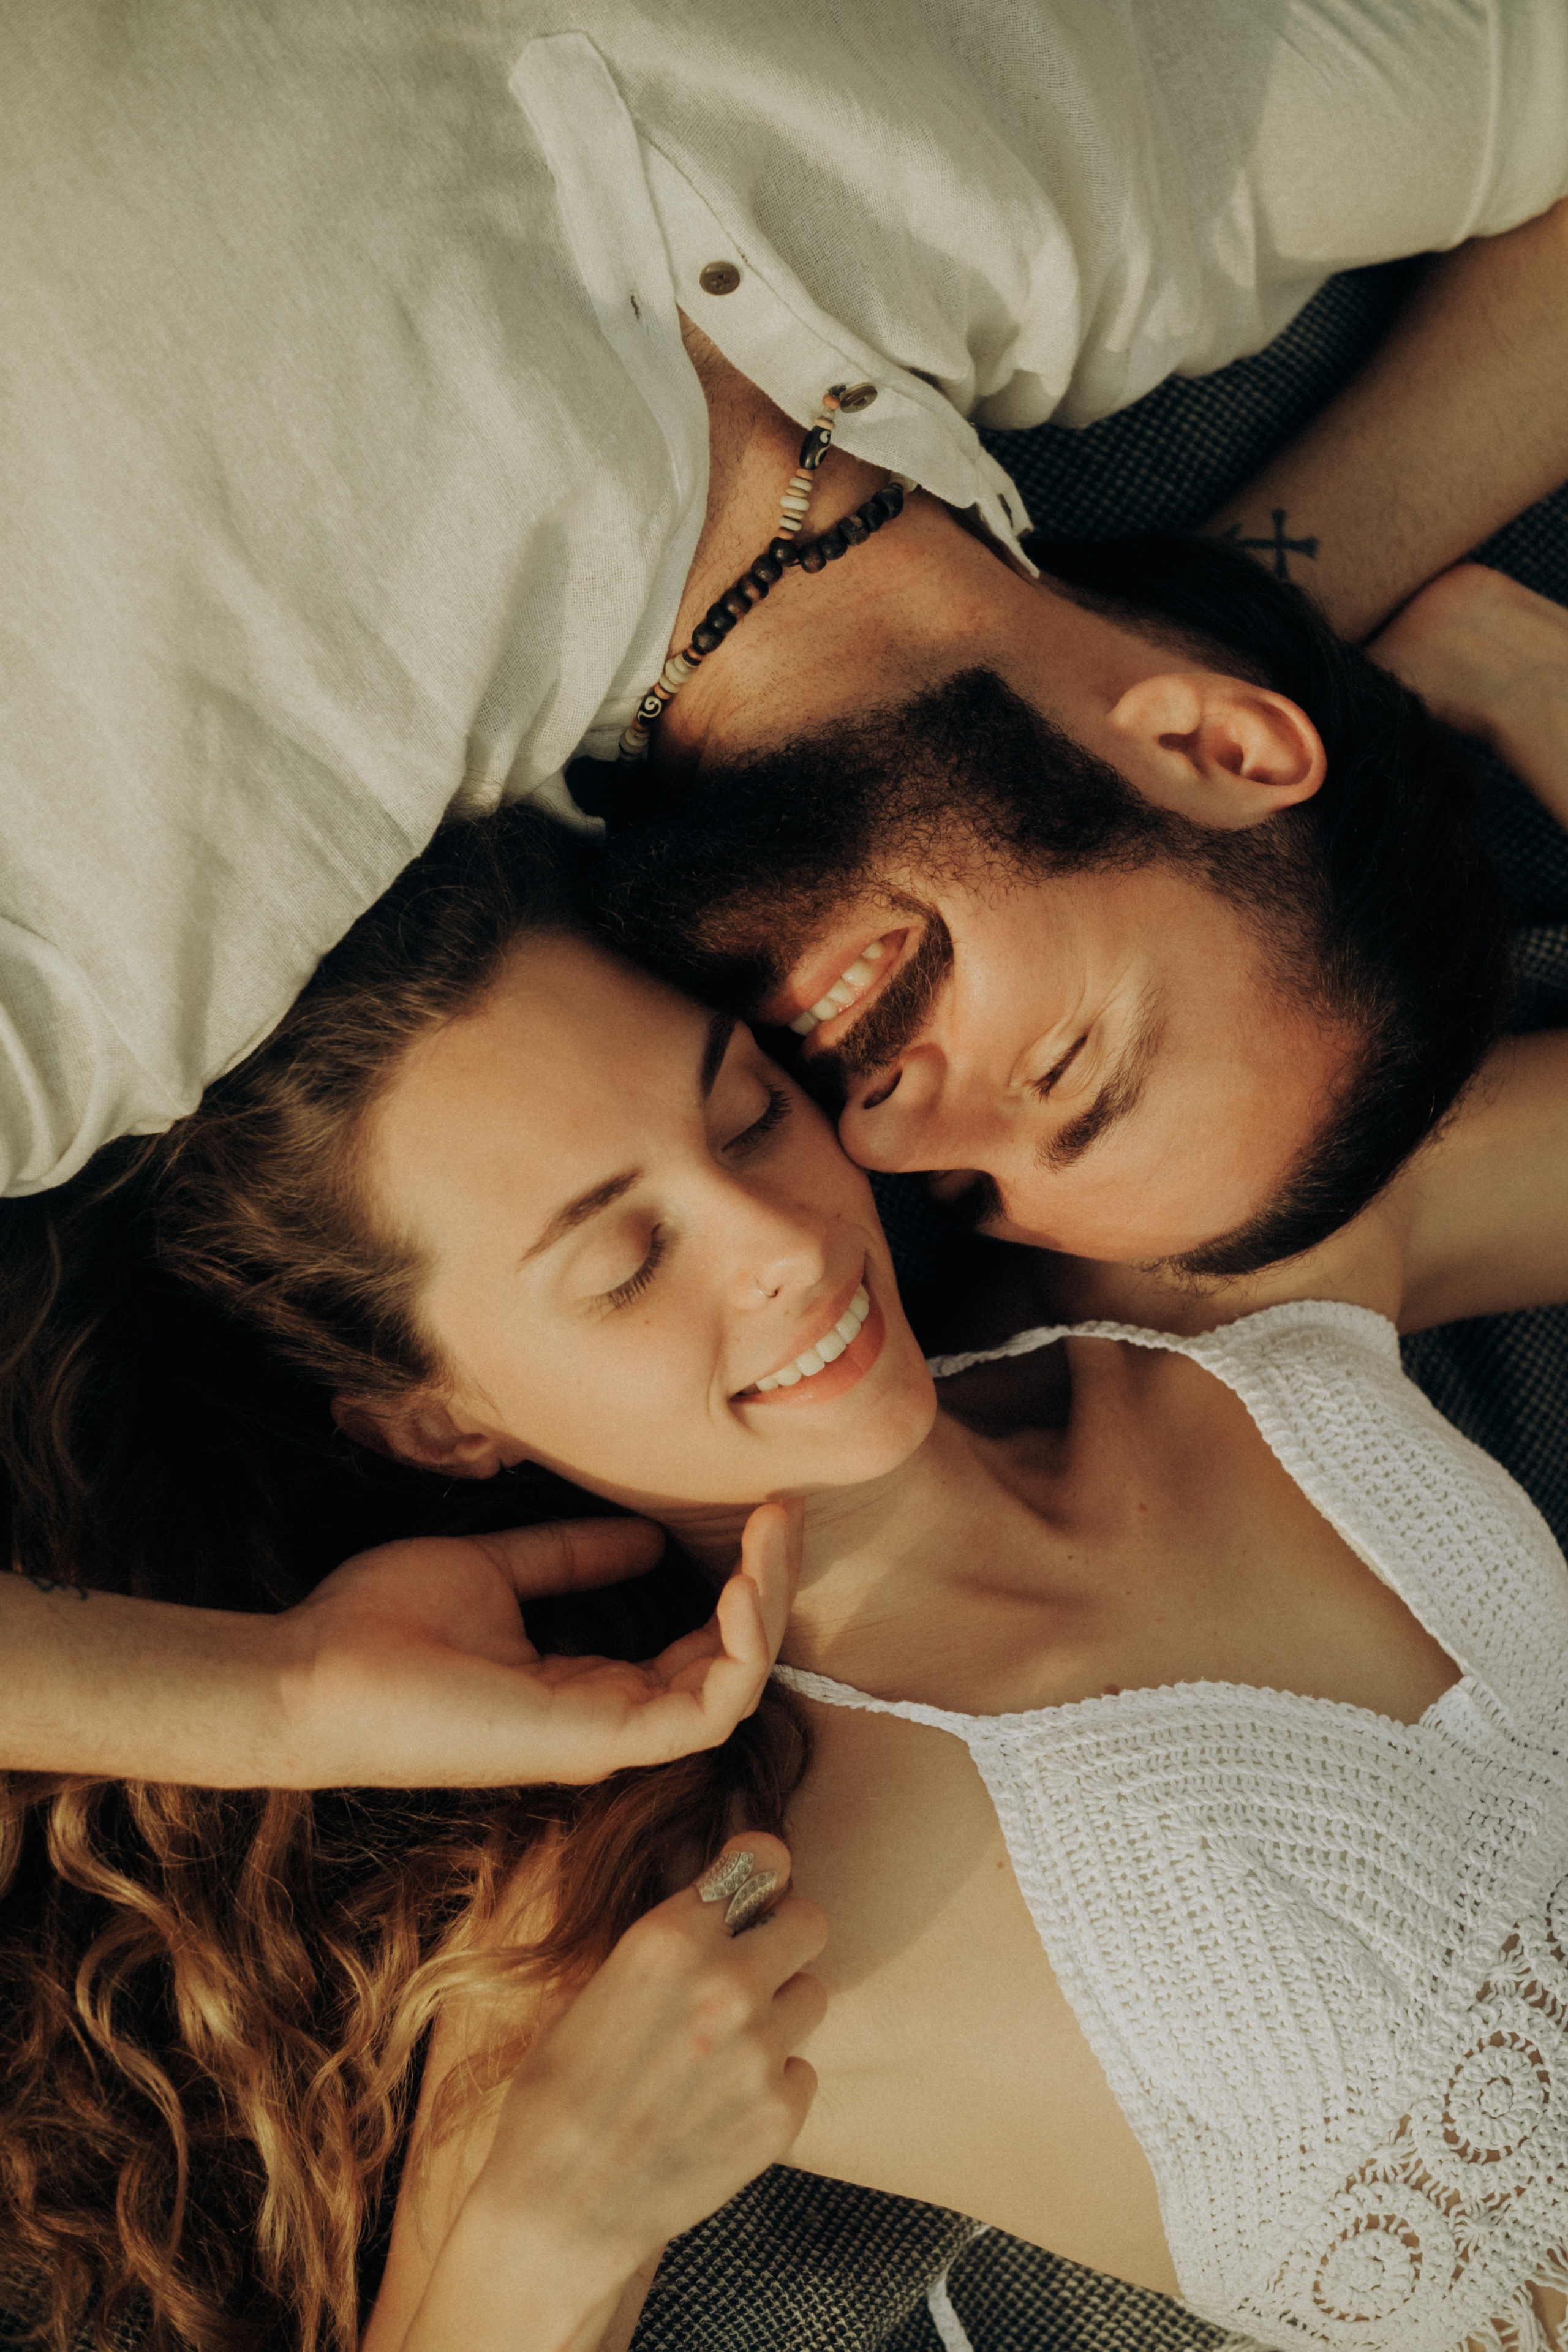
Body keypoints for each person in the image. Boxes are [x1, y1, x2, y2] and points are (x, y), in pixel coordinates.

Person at [7, 0, 1568, 1795]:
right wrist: (1289, 590)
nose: (891, 1152)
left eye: (974, 1187)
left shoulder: (153, 909)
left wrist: (272, 1711)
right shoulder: (1084, 200)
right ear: (1211, 746)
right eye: (1063, 1073)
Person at [8, 804, 1568, 2352]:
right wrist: (549, 2234)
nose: (776, 1241)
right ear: (441, 1420)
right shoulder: (662, 1899)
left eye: (746, 1117)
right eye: (622, 1263)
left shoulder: (1199, 1275)